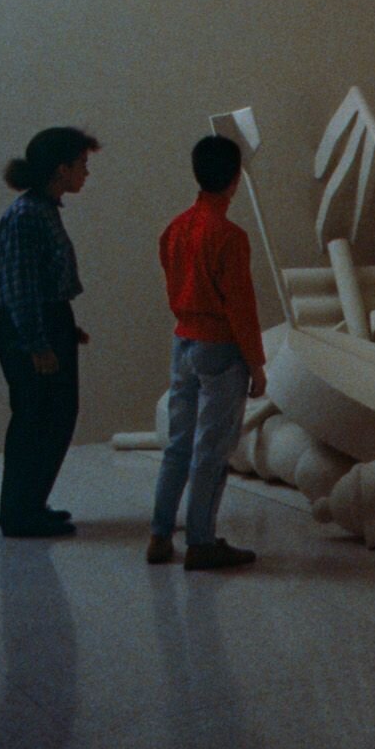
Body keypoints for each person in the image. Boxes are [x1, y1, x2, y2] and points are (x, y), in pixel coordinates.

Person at [148, 134, 268, 571]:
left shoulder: (175, 229)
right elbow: (241, 308)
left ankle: (160, 534)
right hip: (219, 347)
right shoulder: (230, 237)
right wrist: (256, 364)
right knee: (212, 450)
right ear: (235, 179)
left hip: (183, 339)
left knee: (178, 445)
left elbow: (172, 282)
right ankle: (201, 540)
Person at [0, 126, 101, 538]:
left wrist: (65, 329)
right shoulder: (27, 215)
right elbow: (20, 287)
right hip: (31, 331)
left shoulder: (42, 209)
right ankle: (19, 513)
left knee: (52, 417)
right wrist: (38, 343)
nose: (86, 173)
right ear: (61, 169)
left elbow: (39, 282)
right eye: (82, 164)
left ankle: (29, 505)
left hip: (48, 323)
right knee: (37, 419)